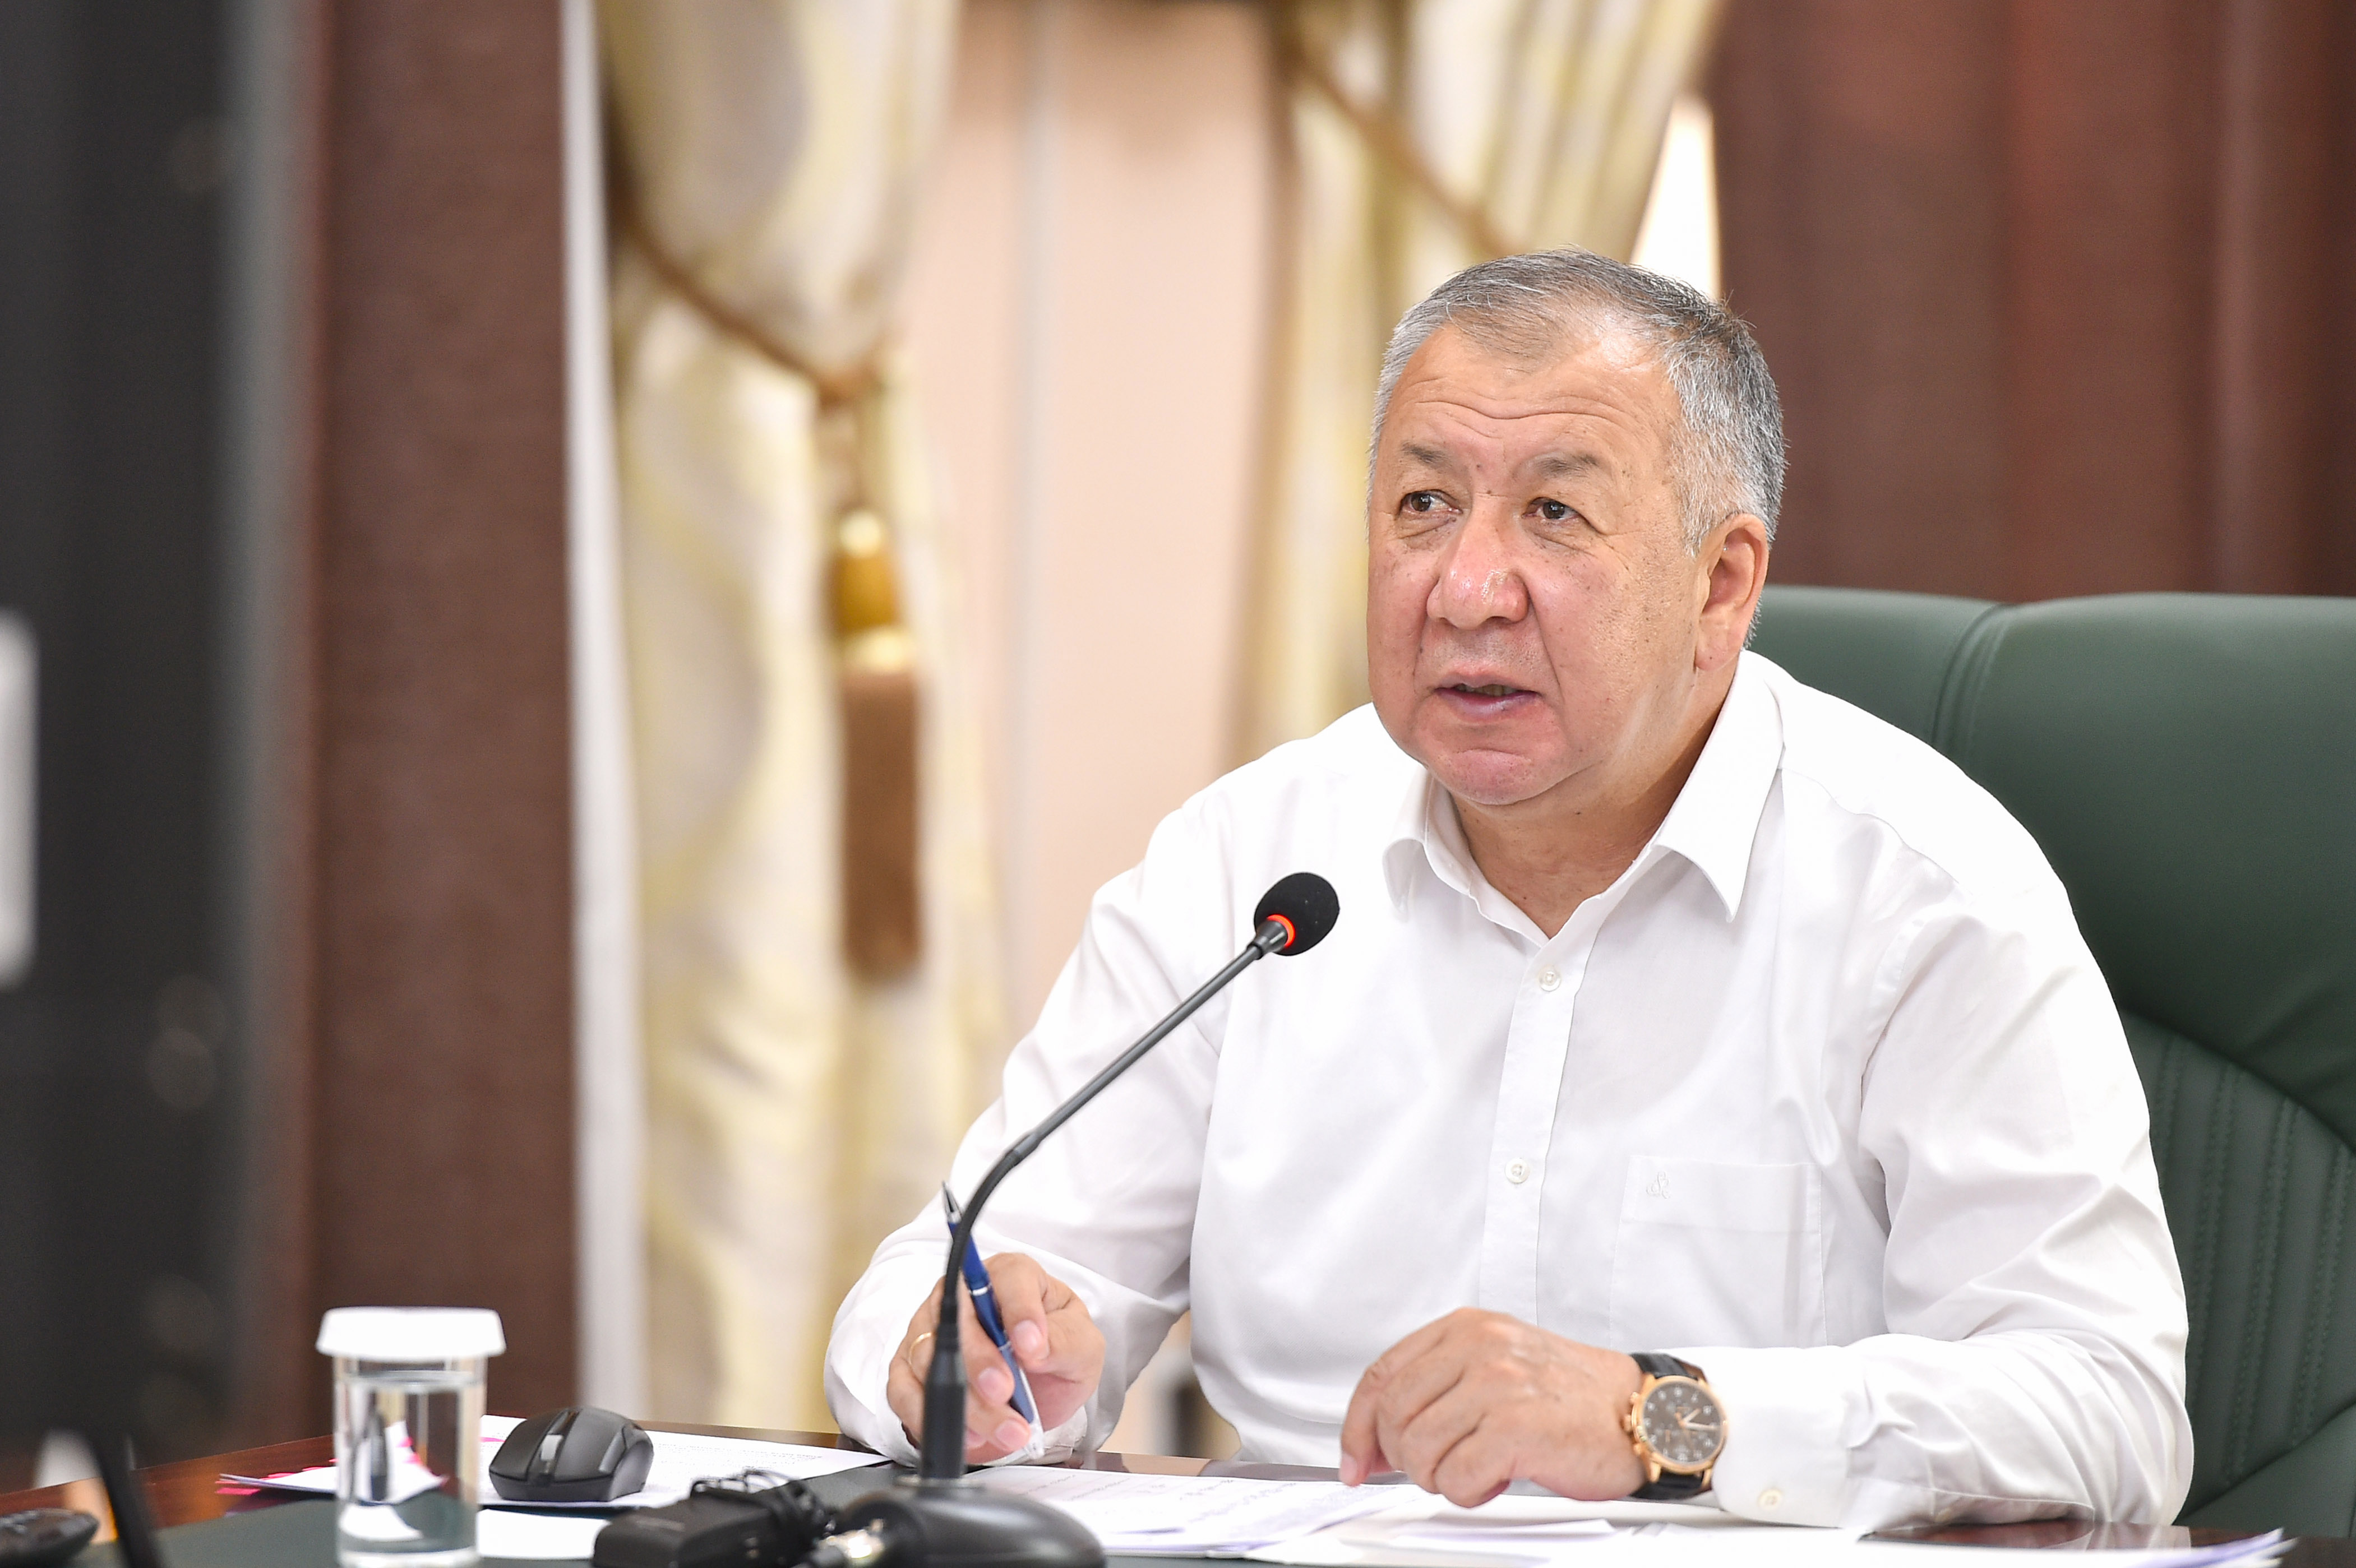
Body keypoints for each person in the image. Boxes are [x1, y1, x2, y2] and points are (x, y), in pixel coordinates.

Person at [823, 249, 2192, 1530]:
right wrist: (973, 1358)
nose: (1466, 588)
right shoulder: (1251, 868)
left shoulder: (1926, 896)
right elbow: (953, 1276)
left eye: (1553, 512)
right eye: (1423, 506)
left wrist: (1660, 1415)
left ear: (1721, 585)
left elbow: (2108, 1405)